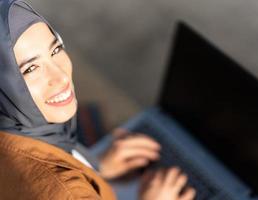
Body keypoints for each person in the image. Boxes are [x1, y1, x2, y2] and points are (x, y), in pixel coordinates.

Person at [0, 0, 196, 199]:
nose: (62, 77)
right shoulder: (67, 192)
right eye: (30, 69)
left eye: (55, 49)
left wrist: (93, 167)